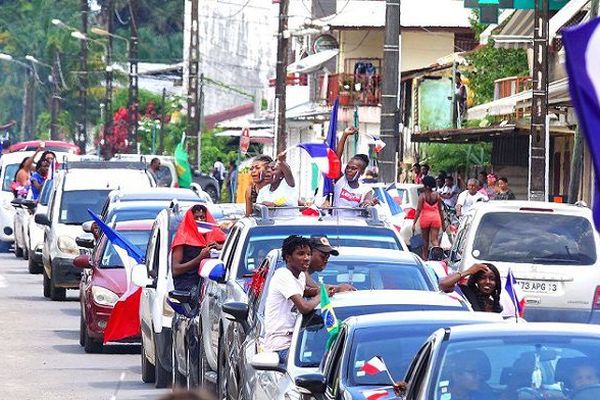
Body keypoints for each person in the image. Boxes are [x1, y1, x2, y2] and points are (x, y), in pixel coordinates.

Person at [263, 235, 321, 363]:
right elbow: (304, 307)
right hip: (280, 346)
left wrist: (337, 289)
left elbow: (308, 291)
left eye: (309, 254)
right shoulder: (283, 275)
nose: (306, 258)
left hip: (296, 343)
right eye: (301, 254)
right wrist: (323, 295)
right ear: (288, 257)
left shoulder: (300, 275)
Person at [171, 205, 227, 293]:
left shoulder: (214, 236)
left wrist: (220, 247)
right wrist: (199, 258)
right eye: (196, 218)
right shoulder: (182, 238)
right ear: (191, 220)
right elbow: (175, 270)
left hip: (211, 289)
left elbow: (232, 248)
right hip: (188, 289)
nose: (200, 220)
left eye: (202, 217)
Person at [328, 127, 375, 216]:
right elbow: (337, 158)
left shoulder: (366, 190)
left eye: (353, 168)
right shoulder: (340, 181)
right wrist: (345, 135)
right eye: (348, 167)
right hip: (337, 225)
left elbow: (367, 201)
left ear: (362, 172)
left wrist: (368, 203)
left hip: (354, 227)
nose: (349, 170)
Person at [256, 152, 298, 216]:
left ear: (282, 175)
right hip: (270, 224)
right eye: (267, 169)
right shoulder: (263, 190)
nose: (268, 171)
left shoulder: (287, 184)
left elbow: (288, 173)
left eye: (273, 169)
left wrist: (281, 161)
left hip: (288, 223)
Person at [413, 176, 444, 260]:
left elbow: (418, 210)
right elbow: (440, 210)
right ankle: (437, 257)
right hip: (435, 218)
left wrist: (414, 223)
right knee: (434, 240)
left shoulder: (422, 196)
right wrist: (443, 224)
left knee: (425, 241)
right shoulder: (437, 196)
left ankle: (424, 258)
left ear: (426, 186)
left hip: (425, 219)